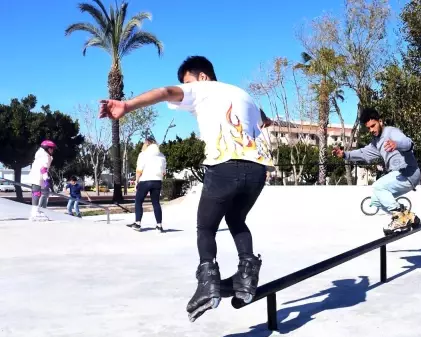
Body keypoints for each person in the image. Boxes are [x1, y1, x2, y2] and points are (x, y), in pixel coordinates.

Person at [98, 55, 273, 322]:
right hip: (257, 170)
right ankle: (247, 276)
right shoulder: (243, 94)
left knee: (206, 227)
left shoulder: (201, 87)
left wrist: (127, 105)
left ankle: (208, 283)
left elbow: (166, 92)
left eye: (187, 81)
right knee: (237, 219)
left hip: (224, 166)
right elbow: (265, 120)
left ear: (201, 76)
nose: (185, 89)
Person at [332, 107, 421, 234]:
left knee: (378, 186)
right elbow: (364, 153)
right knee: (376, 201)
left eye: (373, 126)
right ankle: (408, 216)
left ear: (380, 121)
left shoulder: (391, 132)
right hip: (400, 176)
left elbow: (408, 142)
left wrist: (397, 144)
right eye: (368, 128)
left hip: (409, 172)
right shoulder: (376, 142)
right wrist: (345, 154)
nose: (371, 130)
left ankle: (399, 218)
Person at [127, 132, 166, 232]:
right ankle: (159, 226)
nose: (142, 145)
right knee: (156, 203)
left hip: (145, 180)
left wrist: (136, 181)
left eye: (144, 143)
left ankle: (137, 224)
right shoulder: (162, 156)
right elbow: (164, 171)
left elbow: (139, 169)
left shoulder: (143, 154)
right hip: (157, 181)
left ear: (147, 144)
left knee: (138, 201)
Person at [25, 140, 56, 221]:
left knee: (36, 193)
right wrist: (46, 179)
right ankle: (35, 212)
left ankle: (35, 211)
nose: (52, 150)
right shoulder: (45, 156)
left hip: (35, 176)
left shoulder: (40, 154)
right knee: (36, 193)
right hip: (38, 177)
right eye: (51, 148)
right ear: (47, 148)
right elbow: (43, 169)